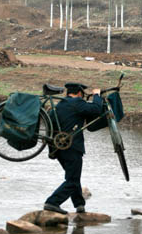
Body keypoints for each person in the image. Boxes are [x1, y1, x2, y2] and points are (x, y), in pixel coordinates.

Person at [44, 82, 103, 214]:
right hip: (72, 148)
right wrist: (97, 96)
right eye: (82, 94)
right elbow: (96, 109)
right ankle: (52, 202)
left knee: (73, 177)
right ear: (79, 93)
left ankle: (79, 205)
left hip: (58, 148)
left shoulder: (60, 104)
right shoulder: (76, 102)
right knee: (72, 180)